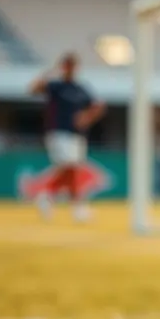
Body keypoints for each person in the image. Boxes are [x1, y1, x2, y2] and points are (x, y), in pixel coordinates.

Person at [28, 53, 106, 222]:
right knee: (70, 168)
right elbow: (33, 89)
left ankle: (47, 196)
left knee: (71, 171)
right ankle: (76, 207)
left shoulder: (80, 88)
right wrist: (49, 72)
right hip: (58, 132)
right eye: (67, 65)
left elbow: (98, 105)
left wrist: (87, 117)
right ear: (63, 67)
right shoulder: (56, 86)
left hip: (76, 136)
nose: (70, 68)